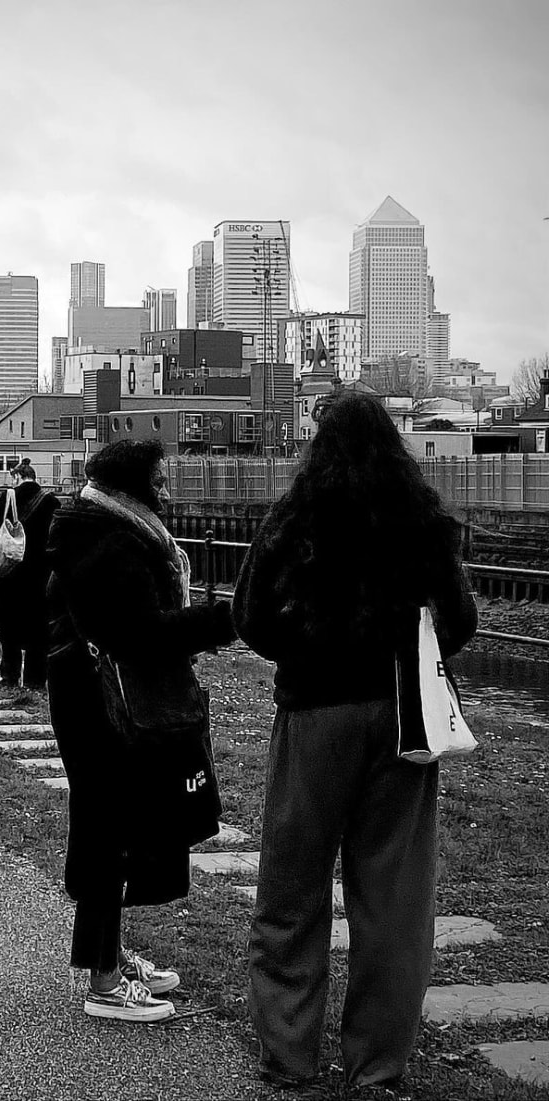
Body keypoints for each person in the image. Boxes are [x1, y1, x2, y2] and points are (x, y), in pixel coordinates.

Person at [232, 392, 477, 1090]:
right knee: (393, 897)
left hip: (314, 712)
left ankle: (288, 1053)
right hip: (402, 714)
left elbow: (250, 615)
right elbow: (458, 620)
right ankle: (378, 1063)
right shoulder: (419, 520)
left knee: (291, 886)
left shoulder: (295, 517)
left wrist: (303, 648)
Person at [45, 439, 236, 1022]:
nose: (166, 490)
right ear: (131, 488)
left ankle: (111, 956)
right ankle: (104, 983)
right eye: (158, 480)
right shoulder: (112, 546)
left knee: (111, 821)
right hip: (105, 700)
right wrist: (224, 619)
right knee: (108, 826)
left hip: (89, 689)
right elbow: (142, 634)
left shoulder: (96, 527)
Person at [0, 458, 60, 691]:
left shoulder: (7, 499)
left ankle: (9, 677)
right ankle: (35, 680)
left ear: (16, 477)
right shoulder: (51, 502)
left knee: (9, 629)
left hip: (11, 574)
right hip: (40, 576)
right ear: (34, 477)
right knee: (40, 630)